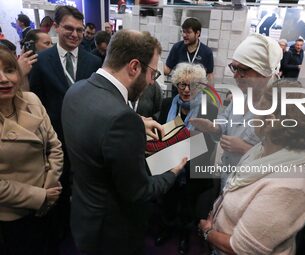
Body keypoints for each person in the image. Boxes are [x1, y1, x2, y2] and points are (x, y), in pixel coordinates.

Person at [62, 29, 187, 255]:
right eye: (152, 73)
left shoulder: (76, 90)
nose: (151, 82)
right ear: (134, 67)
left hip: (84, 215)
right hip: (113, 232)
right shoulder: (121, 118)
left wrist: (138, 122)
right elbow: (140, 191)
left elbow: (96, 127)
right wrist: (173, 170)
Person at [199, 80, 305, 255]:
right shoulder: (263, 149)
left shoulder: (288, 185)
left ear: (270, 121)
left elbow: (241, 249)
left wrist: (208, 232)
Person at [29, 5, 102, 247]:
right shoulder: (41, 60)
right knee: (57, 187)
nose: (75, 34)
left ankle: (81, 228)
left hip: (84, 139)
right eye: (69, 28)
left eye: (80, 30)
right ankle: (59, 231)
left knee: (84, 187)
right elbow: (36, 102)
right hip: (54, 140)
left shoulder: (93, 62)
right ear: (57, 27)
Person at [191, 33, 282, 189]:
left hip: (254, 189)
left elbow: (285, 163)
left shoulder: (281, 108)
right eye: (234, 67)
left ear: (264, 71)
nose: (235, 75)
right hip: (229, 180)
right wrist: (214, 127)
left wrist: (246, 149)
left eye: (243, 70)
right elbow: (226, 120)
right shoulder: (242, 96)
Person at [0, 47, 63, 255]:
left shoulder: (32, 100)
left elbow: (54, 146)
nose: (4, 79)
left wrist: (50, 186)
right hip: (14, 215)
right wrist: (40, 195)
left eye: (9, 69)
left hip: (47, 203)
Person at [155, 63, 218, 254]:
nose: (186, 90)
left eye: (192, 85)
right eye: (182, 84)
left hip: (194, 166)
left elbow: (208, 144)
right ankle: (166, 228)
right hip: (168, 165)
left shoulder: (208, 109)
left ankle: (184, 235)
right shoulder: (167, 104)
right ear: (176, 84)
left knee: (189, 204)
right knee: (168, 201)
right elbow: (159, 135)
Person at [164, 17, 214, 83]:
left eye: (188, 32)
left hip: (196, 91)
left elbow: (209, 76)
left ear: (197, 33)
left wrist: (210, 93)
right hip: (179, 90)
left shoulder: (207, 52)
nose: (184, 35)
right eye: (183, 32)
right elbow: (167, 70)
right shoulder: (177, 47)